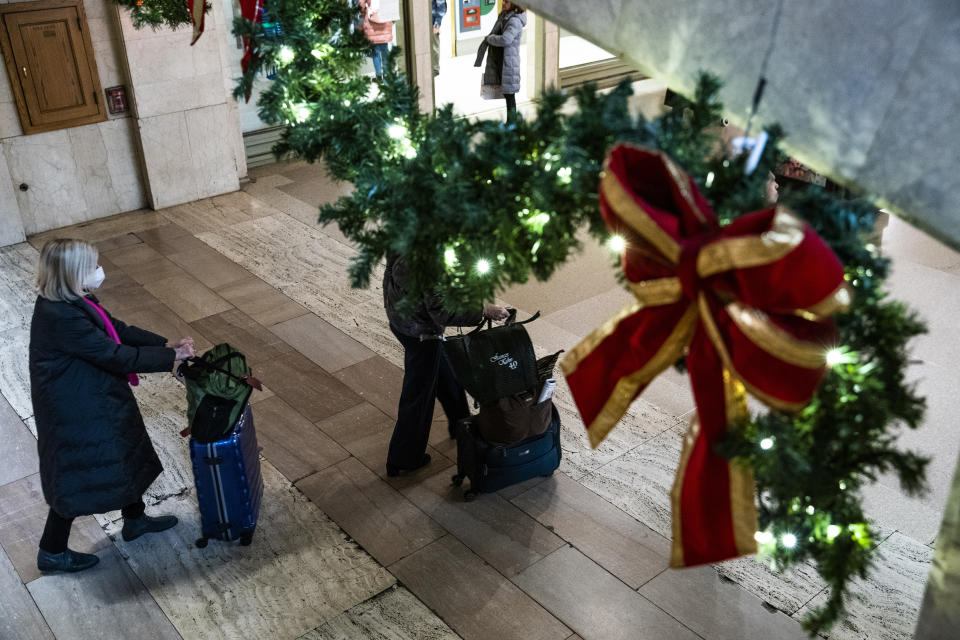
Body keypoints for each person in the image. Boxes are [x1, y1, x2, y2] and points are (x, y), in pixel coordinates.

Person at [29, 239, 195, 573]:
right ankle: (52, 551)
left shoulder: (73, 300)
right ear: (73, 273)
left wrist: (164, 344)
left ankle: (135, 519)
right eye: (90, 266)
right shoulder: (59, 315)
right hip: (74, 411)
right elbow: (113, 354)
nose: (97, 271)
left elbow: (115, 330)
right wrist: (170, 358)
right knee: (79, 476)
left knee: (122, 456)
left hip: (95, 395)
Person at [382, 253, 507, 476]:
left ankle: (462, 426)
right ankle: (403, 458)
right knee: (418, 397)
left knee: (445, 372)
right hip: (420, 332)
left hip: (400, 314)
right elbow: (442, 311)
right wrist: (483, 310)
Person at [480, 1, 526, 118]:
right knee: (507, 94)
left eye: (506, 1)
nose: (503, 3)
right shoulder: (504, 16)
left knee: (510, 95)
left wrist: (490, 39)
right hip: (504, 61)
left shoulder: (514, 21)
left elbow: (506, 39)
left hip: (510, 63)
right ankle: (511, 122)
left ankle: (512, 123)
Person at [359, 0, 395, 77]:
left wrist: (365, 9)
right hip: (385, 22)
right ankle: (387, 74)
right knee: (385, 49)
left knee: (375, 52)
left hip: (371, 24)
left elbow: (361, 4)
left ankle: (378, 74)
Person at [431, 0, 447, 77]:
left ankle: (435, 70)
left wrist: (437, 25)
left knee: (434, 47)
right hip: (424, 21)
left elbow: (442, 8)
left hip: (433, 22)